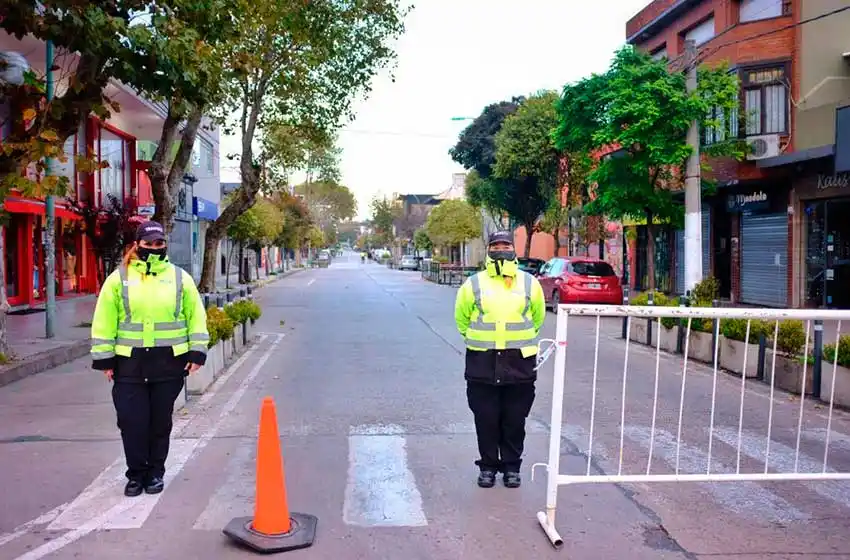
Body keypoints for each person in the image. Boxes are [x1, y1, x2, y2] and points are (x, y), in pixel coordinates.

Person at [90, 221, 210, 497]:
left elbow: (196, 317)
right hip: (129, 365)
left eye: (159, 243)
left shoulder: (180, 278)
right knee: (132, 423)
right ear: (137, 244)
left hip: (168, 363)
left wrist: (197, 353)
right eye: (149, 243)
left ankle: (155, 473)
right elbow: (104, 321)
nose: (155, 248)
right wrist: (105, 360)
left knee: (159, 423)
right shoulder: (118, 279)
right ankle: (136, 475)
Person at [454, 230, 546, 489]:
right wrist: (483, 341)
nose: (501, 248)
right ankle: (488, 467)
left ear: (513, 248)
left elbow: (537, 318)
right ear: (489, 249)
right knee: (486, 419)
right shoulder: (473, 284)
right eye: (496, 245)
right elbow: (461, 319)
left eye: (505, 244)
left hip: (519, 365)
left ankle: (511, 468)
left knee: (515, 419)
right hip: (482, 364)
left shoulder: (529, 283)